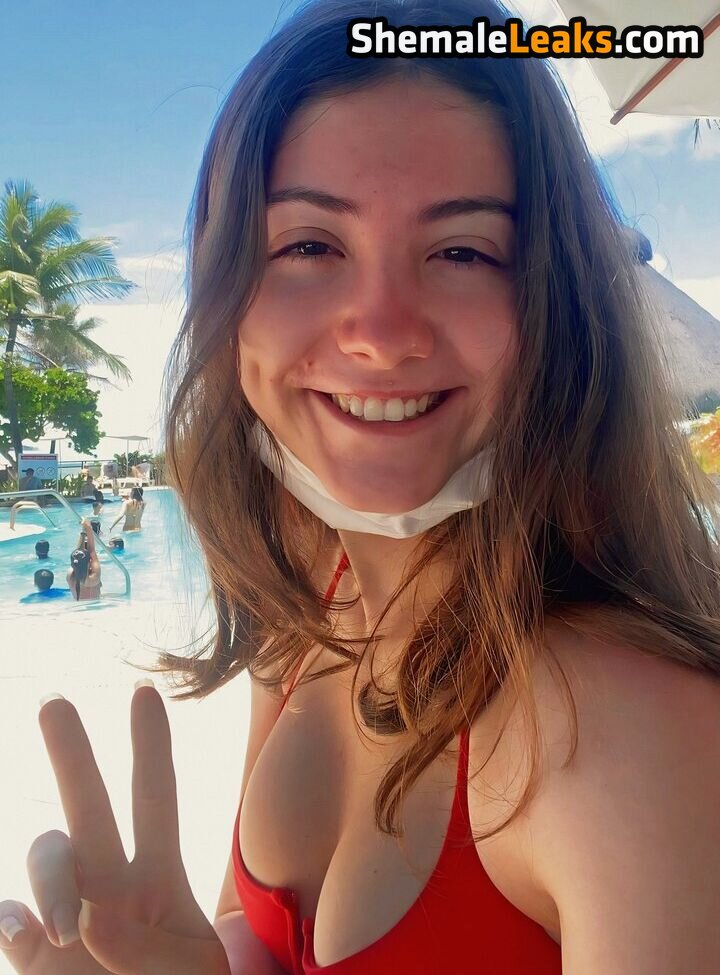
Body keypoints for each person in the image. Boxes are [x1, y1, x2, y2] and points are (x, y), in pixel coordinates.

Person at [4, 2, 720, 973]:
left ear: (557, 309)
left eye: (462, 251)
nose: (381, 332)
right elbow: (251, 929)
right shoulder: (309, 604)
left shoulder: (633, 738)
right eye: (309, 246)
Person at [66, 519, 102, 601]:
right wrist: (88, 528)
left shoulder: (69, 576)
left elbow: (78, 555)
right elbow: (92, 551)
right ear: (89, 563)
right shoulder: (93, 578)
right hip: (95, 607)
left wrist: (83, 533)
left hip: (79, 606)